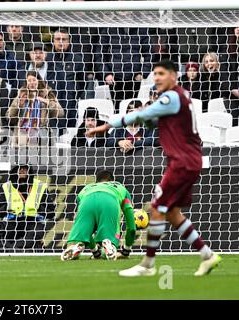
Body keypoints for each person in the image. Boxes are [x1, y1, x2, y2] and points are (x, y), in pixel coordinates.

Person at [87, 59, 221, 277]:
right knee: (173, 213)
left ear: (173, 76)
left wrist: (106, 125)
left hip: (183, 160)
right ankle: (207, 255)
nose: (157, 78)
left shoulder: (172, 96)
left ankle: (148, 264)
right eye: (155, 74)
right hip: (188, 159)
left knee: (158, 207)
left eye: (161, 73)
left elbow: (140, 116)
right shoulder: (181, 97)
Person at [61, 170, 136, 261]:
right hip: (110, 201)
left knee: (76, 240)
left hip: (86, 201)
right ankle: (109, 246)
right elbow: (131, 227)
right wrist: (126, 251)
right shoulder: (120, 187)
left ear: (96, 182)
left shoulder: (86, 188)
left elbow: (88, 231)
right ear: (112, 181)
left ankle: (75, 247)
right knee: (109, 245)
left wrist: (95, 251)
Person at [0, 164, 56, 250]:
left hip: (34, 221)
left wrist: (37, 208)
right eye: (19, 168)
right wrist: (8, 208)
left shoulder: (40, 186)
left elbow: (51, 213)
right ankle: (20, 246)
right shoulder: (6, 187)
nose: (22, 170)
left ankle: (12, 247)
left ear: (29, 170)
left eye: (25, 168)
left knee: (34, 235)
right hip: (12, 221)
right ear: (14, 170)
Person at [7, 71, 64, 147]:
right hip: (22, 134)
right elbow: (9, 116)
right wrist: (19, 104)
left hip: (41, 133)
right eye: (29, 81)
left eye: (34, 80)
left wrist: (47, 102)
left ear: (39, 81)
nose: (32, 83)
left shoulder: (47, 94)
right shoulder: (21, 95)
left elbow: (60, 113)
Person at [46, 28, 85, 129]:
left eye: (64, 39)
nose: (61, 42)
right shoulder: (47, 58)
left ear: (69, 41)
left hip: (70, 103)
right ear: (53, 41)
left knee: (69, 134)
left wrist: (73, 94)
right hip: (51, 103)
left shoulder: (77, 59)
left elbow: (82, 82)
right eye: (58, 39)